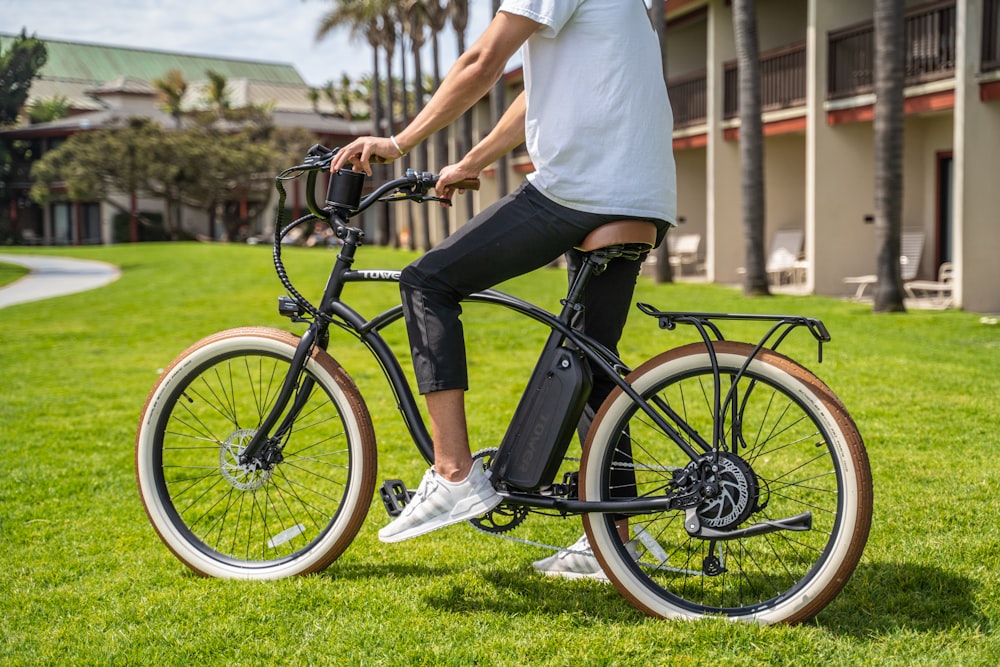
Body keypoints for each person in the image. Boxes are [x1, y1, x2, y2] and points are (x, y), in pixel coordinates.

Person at [330, 0, 676, 578]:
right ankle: (615, 538)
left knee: (426, 282)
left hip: (580, 189)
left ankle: (453, 474)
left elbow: (482, 60)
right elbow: (538, 96)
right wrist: (471, 160)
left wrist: (398, 142)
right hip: (643, 196)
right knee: (590, 361)